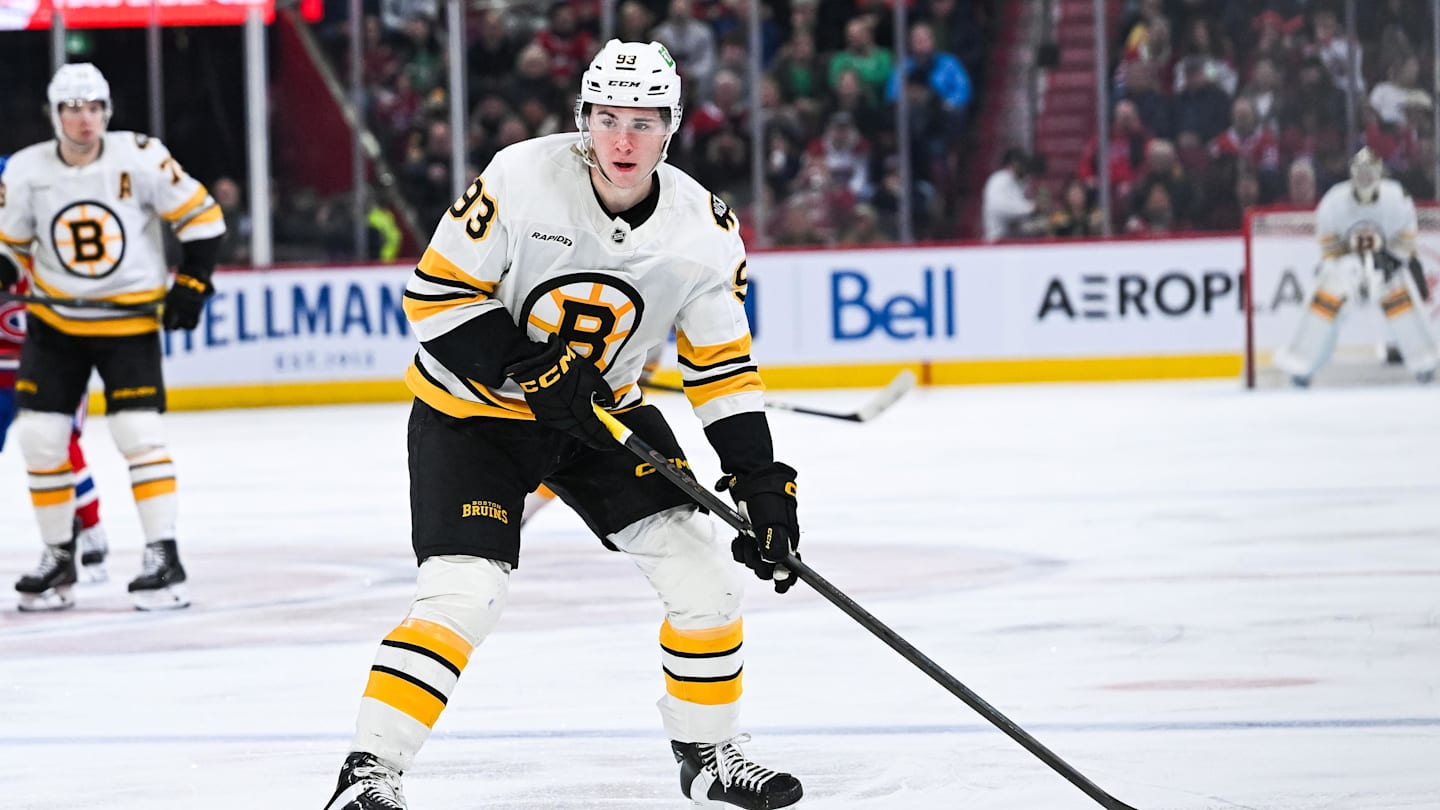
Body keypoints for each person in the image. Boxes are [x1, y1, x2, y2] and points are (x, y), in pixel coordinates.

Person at [322, 40, 804, 810]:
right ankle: (369, 774)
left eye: (643, 122)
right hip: (471, 415)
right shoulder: (519, 178)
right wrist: (526, 363)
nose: (622, 140)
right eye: (607, 117)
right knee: (463, 594)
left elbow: (721, 369)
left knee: (706, 579)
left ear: (671, 127)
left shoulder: (703, 230)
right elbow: (433, 300)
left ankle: (709, 751)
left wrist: (759, 480)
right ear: (584, 116)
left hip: (599, 419)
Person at [0, 63, 226, 611]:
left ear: (108, 112)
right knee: (40, 438)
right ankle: (58, 557)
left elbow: (204, 219)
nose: (86, 119)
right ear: (55, 114)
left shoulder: (141, 156)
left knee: (137, 432)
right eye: (74, 108)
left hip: (126, 322)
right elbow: (12, 247)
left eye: (95, 107)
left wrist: (191, 285)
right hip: (57, 324)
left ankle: (163, 556)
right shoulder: (27, 170)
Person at [1274, 147, 1437, 386]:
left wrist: (1391, 259)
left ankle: (1424, 361)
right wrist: (1344, 262)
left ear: (1379, 173)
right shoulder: (1334, 200)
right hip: (1346, 267)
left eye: (1370, 172)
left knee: (1399, 294)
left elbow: (1406, 236)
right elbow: (1328, 245)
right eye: (1360, 172)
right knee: (1327, 294)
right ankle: (1302, 363)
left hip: (1387, 266)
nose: (1365, 178)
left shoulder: (1396, 198)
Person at [1, 265, 111, 585]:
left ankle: (91, 530)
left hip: (55, 363)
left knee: (61, 447)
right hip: (3, 371)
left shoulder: (52, 246)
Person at [982, 147, 1041, 241]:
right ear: (1014, 164)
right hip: (997, 239)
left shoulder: (1017, 183)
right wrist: (1030, 207)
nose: (1025, 168)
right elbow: (999, 207)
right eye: (1022, 164)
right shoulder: (999, 179)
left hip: (1013, 239)